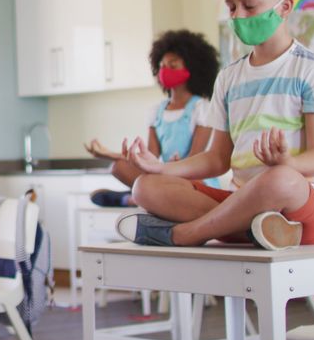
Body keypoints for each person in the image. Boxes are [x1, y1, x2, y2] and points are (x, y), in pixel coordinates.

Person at [116, 0, 314, 251]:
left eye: (248, 5)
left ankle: (186, 234)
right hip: (241, 201)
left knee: (280, 179)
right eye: (232, 6)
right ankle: (263, 230)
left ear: (285, 6)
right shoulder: (229, 77)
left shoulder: (313, 69)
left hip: (304, 204)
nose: (238, 16)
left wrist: (287, 162)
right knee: (145, 187)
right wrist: (160, 168)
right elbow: (217, 159)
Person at [85, 29, 220, 207]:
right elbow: (149, 158)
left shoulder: (201, 108)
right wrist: (110, 155)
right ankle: (140, 196)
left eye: (173, 65)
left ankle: (132, 198)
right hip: (166, 174)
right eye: (162, 66)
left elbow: (196, 160)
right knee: (118, 167)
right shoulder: (156, 112)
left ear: (192, 69)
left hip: (193, 177)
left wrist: (173, 167)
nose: (166, 71)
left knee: (188, 183)